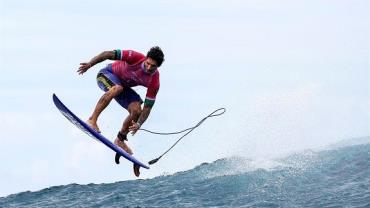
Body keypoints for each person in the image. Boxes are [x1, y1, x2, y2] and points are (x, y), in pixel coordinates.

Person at [77, 46, 164, 176]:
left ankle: (120, 139)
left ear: (158, 67)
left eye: (153, 66)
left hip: (122, 87)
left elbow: (147, 108)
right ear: (145, 59)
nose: (149, 68)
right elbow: (107, 54)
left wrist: (139, 124)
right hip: (106, 75)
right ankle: (92, 120)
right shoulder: (135, 57)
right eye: (148, 63)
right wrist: (90, 64)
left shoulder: (154, 81)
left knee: (137, 110)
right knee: (117, 88)